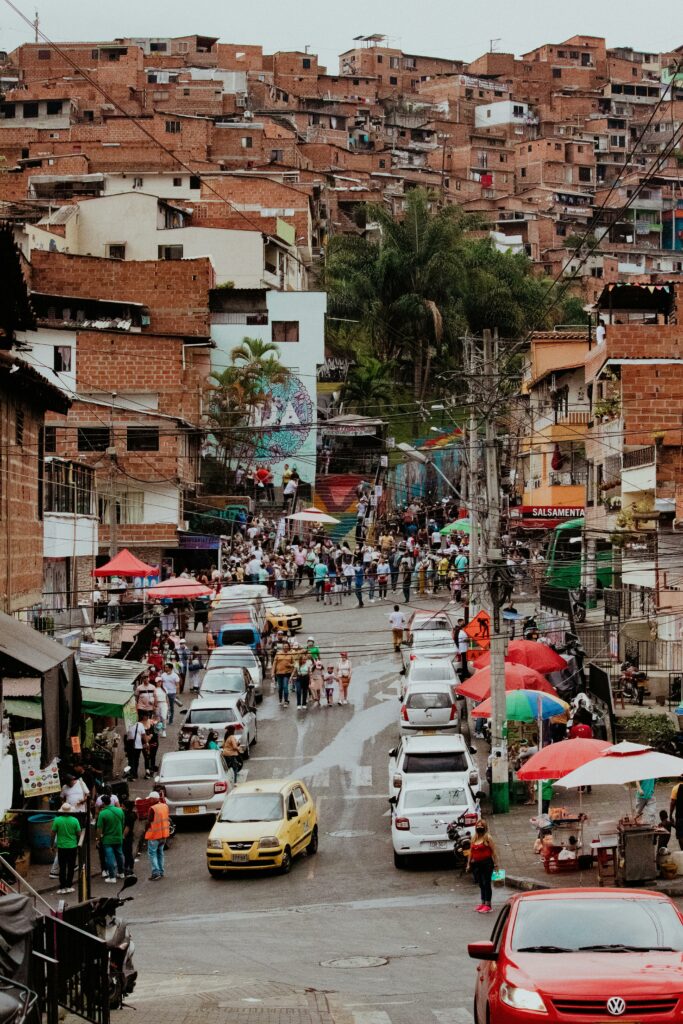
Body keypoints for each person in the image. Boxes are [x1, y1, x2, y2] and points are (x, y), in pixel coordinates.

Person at [467, 819, 499, 913]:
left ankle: (488, 905)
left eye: (481, 826)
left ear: (485, 827)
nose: (479, 827)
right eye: (478, 825)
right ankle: (482, 902)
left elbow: (494, 852)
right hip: (476, 864)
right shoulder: (474, 838)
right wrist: (468, 864)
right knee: (481, 884)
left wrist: (496, 864)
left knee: (486, 883)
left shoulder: (487, 838)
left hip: (487, 863)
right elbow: (471, 852)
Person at [51, 802, 81, 894]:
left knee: (62, 867)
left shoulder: (57, 820)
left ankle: (62, 886)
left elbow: (52, 834)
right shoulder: (75, 820)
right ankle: (69, 885)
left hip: (62, 847)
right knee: (71, 867)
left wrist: (52, 845)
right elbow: (79, 833)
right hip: (72, 846)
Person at [96, 793, 126, 883]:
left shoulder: (102, 813)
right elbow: (123, 823)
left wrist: (98, 839)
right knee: (119, 855)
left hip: (107, 839)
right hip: (118, 837)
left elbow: (99, 828)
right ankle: (121, 873)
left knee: (109, 858)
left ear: (103, 803)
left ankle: (112, 877)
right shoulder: (120, 811)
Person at [145, 791, 170, 880]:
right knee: (160, 853)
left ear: (153, 799)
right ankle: (161, 871)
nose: (149, 801)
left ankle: (156, 872)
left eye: (150, 799)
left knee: (152, 854)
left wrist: (145, 828)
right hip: (164, 835)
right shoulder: (165, 806)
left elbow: (149, 822)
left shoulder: (152, 808)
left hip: (154, 835)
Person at [273, 642, 294, 707]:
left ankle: (286, 701)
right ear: (282, 647)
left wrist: (290, 665)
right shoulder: (278, 653)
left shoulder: (291, 654)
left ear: (288, 647)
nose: (285, 647)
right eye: (284, 646)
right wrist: (272, 673)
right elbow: (274, 664)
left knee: (285, 687)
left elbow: (295, 664)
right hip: (279, 673)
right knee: (280, 688)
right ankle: (280, 699)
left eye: (287, 646)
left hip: (287, 673)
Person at [159, 661, 180, 726]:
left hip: (172, 693)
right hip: (164, 693)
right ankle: (164, 718)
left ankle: (170, 720)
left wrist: (177, 694)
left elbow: (177, 685)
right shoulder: (163, 675)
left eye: (166, 667)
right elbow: (160, 683)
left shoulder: (175, 675)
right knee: (163, 706)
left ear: (170, 668)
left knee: (171, 707)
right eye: (165, 667)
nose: (165, 668)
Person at [122, 799, 138, 875]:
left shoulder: (129, 816)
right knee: (128, 852)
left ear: (126, 808)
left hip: (127, 837)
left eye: (123, 806)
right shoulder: (133, 814)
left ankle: (128, 868)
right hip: (131, 835)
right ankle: (129, 867)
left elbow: (127, 827)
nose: (121, 808)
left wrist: (123, 836)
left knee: (127, 853)